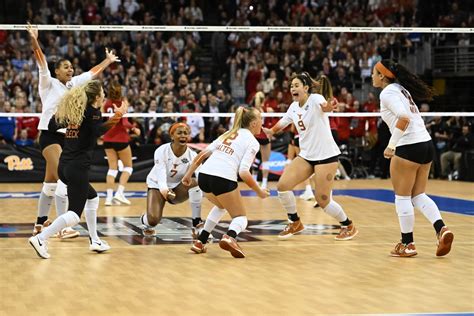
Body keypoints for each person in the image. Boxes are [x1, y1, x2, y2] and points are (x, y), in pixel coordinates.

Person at [27, 23, 120, 238]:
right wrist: (34, 39)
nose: (70, 69)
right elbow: (40, 60)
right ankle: (64, 228)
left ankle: (40, 224)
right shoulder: (47, 83)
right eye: (66, 67)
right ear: (57, 70)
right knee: (62, 178)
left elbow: (92, 73)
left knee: (50, 183)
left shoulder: (74, 84)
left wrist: (107, 60)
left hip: (67, 137)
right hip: (49, 136)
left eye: (71, 67)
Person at [29, 80, 128, 259]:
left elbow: (51, 126)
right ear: (97, 97)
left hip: (64, 165)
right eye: (103, 92)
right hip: (77, 167)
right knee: (74, 214)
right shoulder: (93, 111)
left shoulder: (76, 111)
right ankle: (41, 238)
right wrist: (118, 116)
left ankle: (95, 240)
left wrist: (61, 111)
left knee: (93, 198)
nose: (104, 94)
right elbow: (97, 131)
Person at [371, 59, 454, 257]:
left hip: (408, 146)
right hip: (426, 144)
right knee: (418, 195)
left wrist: (391, 146)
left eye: (374, 73)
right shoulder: (401, 90)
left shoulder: (388, 92)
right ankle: (441, 229)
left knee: (402, 197)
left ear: (382, 76)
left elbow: (404, 117)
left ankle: (407, 244)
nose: (372, 76)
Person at [264, 73, 358, 241]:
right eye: (291, 86)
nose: (293, 88)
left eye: (296, 85)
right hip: (307, 155)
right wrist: (270, 131)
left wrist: (330, 106)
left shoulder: (315, 98)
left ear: (306, 88)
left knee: (323, 200)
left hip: (326, 155)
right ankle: (295, 222)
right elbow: (283, 123)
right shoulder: (293, 107)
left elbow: (325, 107)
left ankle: (347, 224)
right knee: (283, 186)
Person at [183, 107, 270, 258]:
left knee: (221, 206)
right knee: (240, 218)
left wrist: (188, 174)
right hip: (222, 177)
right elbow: (243, 172)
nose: (262, 123)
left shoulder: (228, 133)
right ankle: (230, 237)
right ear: (254, 123)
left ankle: (200, 241)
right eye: (261, 119)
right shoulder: (253, 142)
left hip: (204, 177)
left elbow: (202, 154)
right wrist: (259, 191)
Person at [139, 122, 204, 238]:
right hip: (157, 185)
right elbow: (160, 172)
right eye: (179, 133)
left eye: (186, 133)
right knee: (153, 220)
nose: (183, 135)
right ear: (172, 136)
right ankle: (145, 220)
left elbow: (201, 175)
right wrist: (164, 190)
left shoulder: (193, 155)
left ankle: (197, 223)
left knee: (196, 183)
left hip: (178, 187)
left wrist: (209, 191)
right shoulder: (161, 151)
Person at [103, 81, 141, 206]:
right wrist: (134, 128)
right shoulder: (123, 103)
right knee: (128, 167)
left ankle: (109, 198)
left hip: (108, 138)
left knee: (112, 169)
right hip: (120, 138)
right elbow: (124, 123)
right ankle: (119, 193)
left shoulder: (106, 103)